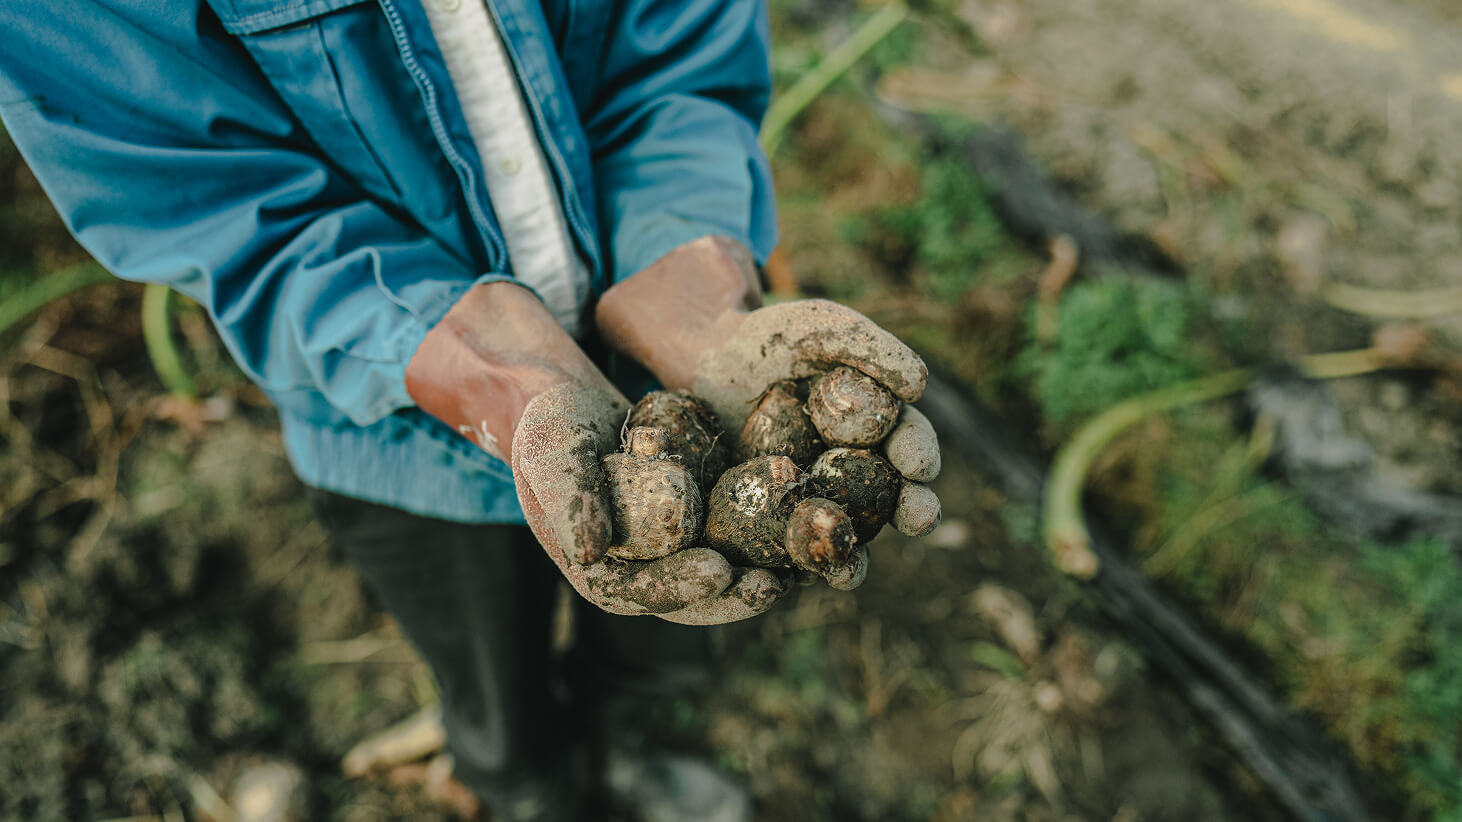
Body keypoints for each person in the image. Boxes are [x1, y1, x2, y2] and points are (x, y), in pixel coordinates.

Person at [0, 1, 941, 819]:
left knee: (680, 611)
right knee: (488, 673)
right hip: (399, 423)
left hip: (669, 379)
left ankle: (634, 744)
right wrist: (481, 368)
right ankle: (526, 790)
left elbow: (679, 53)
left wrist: (683, 267)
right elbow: (198, 191)